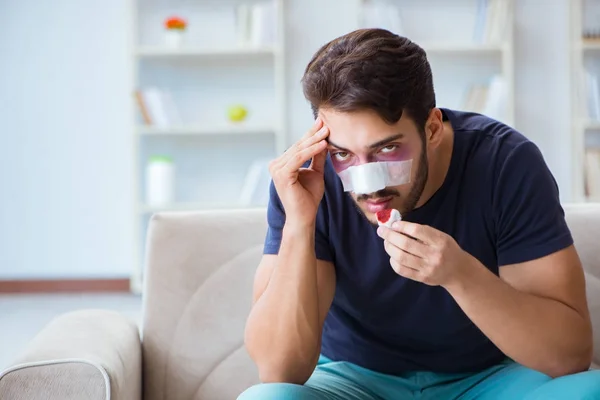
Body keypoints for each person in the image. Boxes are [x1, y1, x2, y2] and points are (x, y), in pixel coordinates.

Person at [239, 28, 600, 399]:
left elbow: (568, 356)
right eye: (343, 153)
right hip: (352, 379)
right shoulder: (305, 180)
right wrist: (301, 223)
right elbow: (278, 371)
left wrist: (460, 275)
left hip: (490, 377)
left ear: (431, 128)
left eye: (387, 148)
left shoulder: (506, 163)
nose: (367, 184)